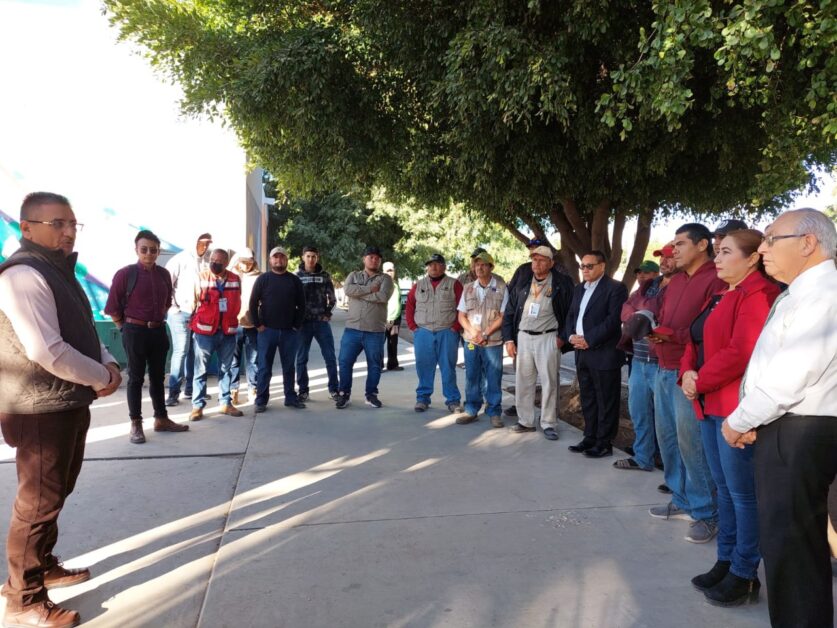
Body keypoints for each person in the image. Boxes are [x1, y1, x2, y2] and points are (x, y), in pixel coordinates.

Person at [0, 192, 123, 627]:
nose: (69, 232)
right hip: (38, 406)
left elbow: (83, 330)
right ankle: (23, 596)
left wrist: (108, 363)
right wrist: (100, 376)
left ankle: (42, 563)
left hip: (64, 400)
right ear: (27, 228)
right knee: (37, 503)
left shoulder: (59, 271)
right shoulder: (23, 274)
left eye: (72, 223)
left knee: (55, 493)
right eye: (58, 224)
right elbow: (46, 349)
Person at [723, 209, 836, 627]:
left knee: (792, 549)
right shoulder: (803, 291)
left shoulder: (823, 293)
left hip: (801, 429)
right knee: (789, 547)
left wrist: (740, 419)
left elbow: (793, 373)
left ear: (808, 243)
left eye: (772, 239)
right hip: (789, 426)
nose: (763, 249)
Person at [678, 229, 779, 607]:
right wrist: (687, 374)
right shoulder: (721, 293)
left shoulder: (760, 294)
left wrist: (699, 380)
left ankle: (744, 571)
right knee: (724, 489)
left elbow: (742, 351)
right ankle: (726, 560)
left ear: (752, 259)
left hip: (733, 408)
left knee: (742, 494)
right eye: (717, 252)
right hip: (708, 404)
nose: (717, 259)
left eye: (725, 252)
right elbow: (693, 340)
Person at [648, 223, 725, 544]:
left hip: (689, 373)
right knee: (668, 439)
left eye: (680, 244)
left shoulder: (716, 278)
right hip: (663, 367)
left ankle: (707, 513)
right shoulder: (676, 280)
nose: (673, 250)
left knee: (692, 443)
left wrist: (671, 336)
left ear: (702, 245)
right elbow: (664, 317)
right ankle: (680, 498)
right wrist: (655, 334)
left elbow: (709, 330)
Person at [105, 229, 188, 443]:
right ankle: (136, 423)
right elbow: (113, 307)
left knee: (158, 377)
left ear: (158, 252)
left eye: (153, 250)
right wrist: (125, 329)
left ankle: (161, 418)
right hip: (135, 331)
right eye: (144, 249)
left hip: (158, 331)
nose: (149, 254)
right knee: (135, 378)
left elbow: (167, 302)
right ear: (136, 250)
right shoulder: (125, 274)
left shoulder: (164, 275)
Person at [614, 245, 677, 472]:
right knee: (639, 412)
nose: (665, 261)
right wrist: (641, 316)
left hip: (662, 363)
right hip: (639, 361)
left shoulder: (682, 286)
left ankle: (675, 473)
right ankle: (643, 457)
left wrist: (643, 315)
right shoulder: (650, 286)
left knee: (667, 420)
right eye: (662, 257)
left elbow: (663, 315)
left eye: (670, 257)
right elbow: (627, 308)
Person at [502, 246, 573, 440]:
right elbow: (509, 311)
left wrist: (562, 338)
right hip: (523, 337)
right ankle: (525, 421)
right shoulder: (523, 281)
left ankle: (549, 423)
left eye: (542, 260)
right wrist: (509, 339)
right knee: (523, 382)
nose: (537, 263)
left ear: (551, 263)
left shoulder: (562, 283)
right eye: (534, 260)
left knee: (549, 382)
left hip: (548, 337)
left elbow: (571, 313)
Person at [564, 251, 629, 457]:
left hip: (603, 353)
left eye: (589, 266)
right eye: (582, 266)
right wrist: (571, 336)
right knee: (588, 398)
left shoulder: (616, 288)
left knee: (606, 400)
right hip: (581, 352)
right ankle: (589, 437)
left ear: (602, 266)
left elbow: (613, 321)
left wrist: (589, 339)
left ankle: (604, 443)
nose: (585, 270)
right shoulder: (579, 289)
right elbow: (571, 316)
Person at [335, 246, 394, 409]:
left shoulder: (385, 279)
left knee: (374, 365)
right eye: (370, 257)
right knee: (345, 362)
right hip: (352, 329)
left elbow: (382, 296)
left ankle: (371, 395)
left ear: (380, 261)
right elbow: (348, 290)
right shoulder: (353, 275)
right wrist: (369, 289)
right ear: (364, 259)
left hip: (375, 331)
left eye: (377, 258)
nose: (374, 260)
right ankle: (344, 394)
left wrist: (359, 294)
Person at [405, 253, 464, 413]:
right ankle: (422, 399)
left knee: (448, 367)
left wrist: (455, 327)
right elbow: (410, 306)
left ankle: (453, 400)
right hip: (423, 332)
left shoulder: (454, 284)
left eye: (437, 264)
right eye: (430, 265)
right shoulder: (419, 285)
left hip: (447, 332)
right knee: (423, 366)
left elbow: (462, 307)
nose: (433, 267)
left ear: (444, 266)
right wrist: (413, 327)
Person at [250, 246, 306, 412]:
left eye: (282, 257)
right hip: (267, 332)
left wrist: (296, 325)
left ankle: (290, 398)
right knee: (264, 368)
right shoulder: (263, 279)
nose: (278, 260)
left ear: (286, 260)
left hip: (289, 332)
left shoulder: (294, 280)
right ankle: (261, 400)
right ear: (270, 260)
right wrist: (258, 324)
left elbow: (302, 305)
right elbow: (253, 303)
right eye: (275, 257)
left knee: (289, 367)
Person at [189, 248, 243, 421]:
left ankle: (225, 403)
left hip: (228, 332)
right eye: (212, 260)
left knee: (226, 369)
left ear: (226, 263)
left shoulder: (235, 279)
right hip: (204, 332)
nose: (215, 263)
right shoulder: (201, 277)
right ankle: (197, 406)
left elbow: (237, 301)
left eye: (219, 261)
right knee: (200, 370)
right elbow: (193, 302)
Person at [456, 251, 508, 427]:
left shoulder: (501, 287)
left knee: (494, 377)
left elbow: (503, 316)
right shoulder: (468, 288)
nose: (479, 267)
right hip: (471, 342)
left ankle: (494, 411)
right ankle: (471, 410)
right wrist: (473, 332)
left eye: (483, 264)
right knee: (472, 375)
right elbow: (461, 316)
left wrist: (485, 334)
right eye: (477, 264)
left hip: (492, 342)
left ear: (491, 267)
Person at [165, 231, 212, 406]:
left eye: (208, 243)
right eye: (202, 242)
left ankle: (192, 389)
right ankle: (173, 393)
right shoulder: (179, 260)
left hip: (199, 313)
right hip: (180, 313)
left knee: (196, 351)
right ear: (194, 242)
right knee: (181, 351)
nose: (205, 246)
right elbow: (166, 284)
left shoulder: (206, 261)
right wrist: (173, 307)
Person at [295, 246, 339, 400]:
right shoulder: (297, 276)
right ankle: (303, 391)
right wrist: (296, 318)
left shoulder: (325, 276)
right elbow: (292, 299)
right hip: (303, 324)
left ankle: (334, 390)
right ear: (303, 257)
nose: (311, 259)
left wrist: (327, 313)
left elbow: (332, 299)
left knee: (330, 357)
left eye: (314, 256)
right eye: (308, 256)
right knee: (301, 359)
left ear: (317, 258)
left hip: (321, 323)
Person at [229, 248, 261, 406]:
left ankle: (252, 389)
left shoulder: (259, 277)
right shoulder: (231, 276)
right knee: (233, 361)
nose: (246, 265)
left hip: (252, 325)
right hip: (234, 325)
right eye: (243, 262)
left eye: (249, 262)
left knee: (252, 361)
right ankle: (233, 391)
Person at [382, 261, 404, 371]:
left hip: (395, 319)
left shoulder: (395, 284)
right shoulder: (383, 284)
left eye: (392, 270)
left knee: (393, 343)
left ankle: (392, 364)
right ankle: (377, 366)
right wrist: (388, 319)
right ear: (383, 271)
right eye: (388, 270)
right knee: (380, 343)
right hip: (385, 319)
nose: (390, 272)